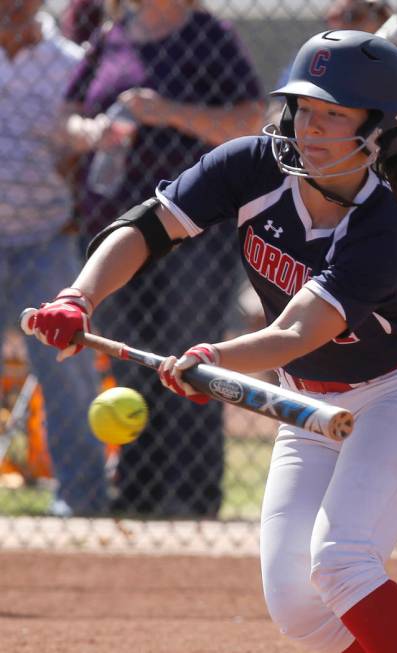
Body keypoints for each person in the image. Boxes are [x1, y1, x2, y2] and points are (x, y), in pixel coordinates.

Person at [24, 29, 397, 652]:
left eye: (335, 116)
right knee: (301, 609)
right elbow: (145, 229)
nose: (310, 129)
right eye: (304, 110)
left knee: (342, 561)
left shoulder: (377, 231)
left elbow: (295, 332)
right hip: (308, 407)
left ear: (380, 133)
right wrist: (78, 297)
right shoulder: (253, 165)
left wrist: (213, 359)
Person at [61, 0, 264, 516]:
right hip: (115, 226)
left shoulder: (209, 35)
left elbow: (249, 124)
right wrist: (92, 133)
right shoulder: (114, 36)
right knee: (129, 360)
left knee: (188, 355)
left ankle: (194, 500)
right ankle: (138, 494)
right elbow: (67, 117)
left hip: (193, 230)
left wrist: (166, 111)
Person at [0, 0, 108, 516]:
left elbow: (85, 151)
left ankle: (81, 499)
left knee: (66, 369)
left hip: (47, 234)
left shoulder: (71, 62)